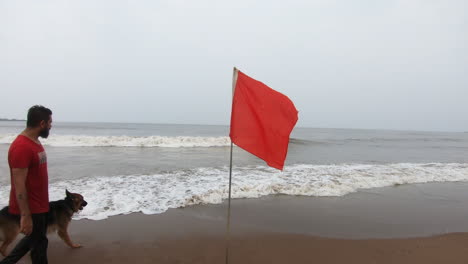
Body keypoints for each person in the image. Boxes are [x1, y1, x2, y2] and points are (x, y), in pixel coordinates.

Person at [0, 105, 52, 264]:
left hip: (39, 204)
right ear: (42, 123)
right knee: (40, 244)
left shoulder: (34, 141)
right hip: (31, 207)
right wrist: (25, 215)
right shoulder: (21, 147)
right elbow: (19, 184)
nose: (51, 125)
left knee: (33, 240)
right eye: (50, 122)